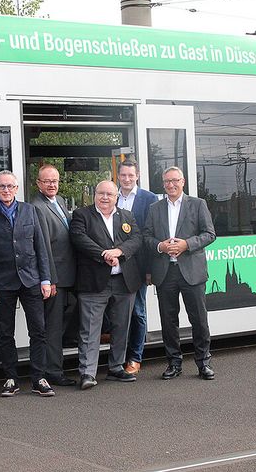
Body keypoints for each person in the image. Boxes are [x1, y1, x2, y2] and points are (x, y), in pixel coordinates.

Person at [0, 170, 55, 397]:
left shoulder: (30, 211)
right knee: (5, 333)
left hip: (31, 280)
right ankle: (11, 378)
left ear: (17, 189)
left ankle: (39, 377)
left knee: (38, 331)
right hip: (1, 283)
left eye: (10, 186)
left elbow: (41, 248)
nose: (6, 190)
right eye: (2, 187)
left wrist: (46, 279)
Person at [143, 167, 217, 381]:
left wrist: (187, 244)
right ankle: (173, 363)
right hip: (165, 273)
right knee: (168, 321)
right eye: (167, 181)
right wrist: (160, 247)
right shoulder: (154, 208)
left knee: (199, 320)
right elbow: (146, 237)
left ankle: (204, 363)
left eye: (175, 180)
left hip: (192, 272)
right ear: (163, 183)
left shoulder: (198, 204)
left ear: (183, 181)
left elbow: (210, 234)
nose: (170, 185)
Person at [70, 180, 142, 390]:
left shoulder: (126, 216)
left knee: (121, 327)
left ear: (116, 197)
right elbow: (79, 238)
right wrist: (103, 254)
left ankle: (116, 367)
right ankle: (87, 373)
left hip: (124, 281)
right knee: (90, 329)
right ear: (95, 195)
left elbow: (136, 239)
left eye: (109, 194)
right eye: (101, 193)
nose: (104, 197)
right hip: (93, 283)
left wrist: (119, 252)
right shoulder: (81, 215)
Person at [31, 164, 76, 387]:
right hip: (56, 277)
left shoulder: (60, 201)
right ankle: (53, 371)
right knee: (54, 326)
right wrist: (50, 279)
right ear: (38, 183)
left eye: (55, 180)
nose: (52, 185)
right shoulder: (37, 207)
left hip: (70, 274)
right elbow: (43, 247)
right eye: (47, 181)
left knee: (70, 315)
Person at [116, 160, 158, 375]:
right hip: (114, 265)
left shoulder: (149, 199)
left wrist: (150, 269)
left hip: (139, 265)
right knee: (118, 312)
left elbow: (151, 235)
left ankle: (135, 357)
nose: (127, 179)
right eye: (123, 175)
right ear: (118, 176)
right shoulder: (111, 196)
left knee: (138, 312)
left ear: (137, 175)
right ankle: (118, 357)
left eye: (130, 175)